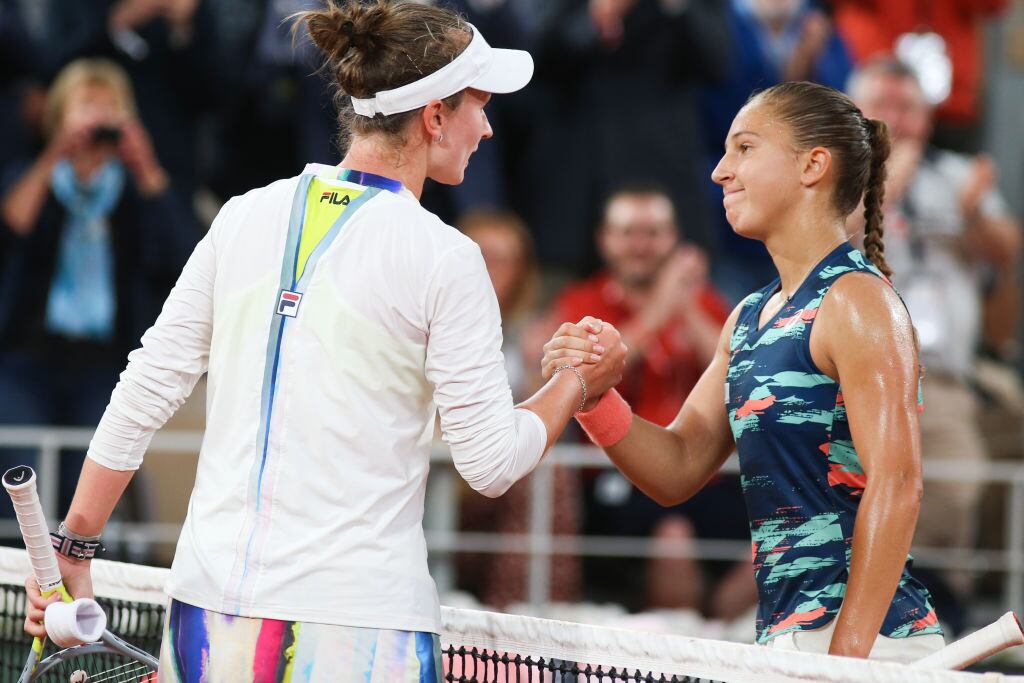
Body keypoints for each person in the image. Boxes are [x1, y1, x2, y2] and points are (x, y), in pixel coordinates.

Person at [21, 2, 627, 680]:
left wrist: (73, 544)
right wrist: (579, 380)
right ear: (433, 116)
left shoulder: (243, 215)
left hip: (206, 613)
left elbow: (146, 385)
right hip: (360, 626)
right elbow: (488, 459)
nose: (486, 127)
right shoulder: (446, 258)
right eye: (478, 106)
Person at [542, 81, 946, 661]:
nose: (720, 172)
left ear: (812, 166)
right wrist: (593, 395)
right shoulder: (748, 317)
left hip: (871, 645)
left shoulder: (859, 302)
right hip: (795, 641)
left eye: (746, 148)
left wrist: (843, 663)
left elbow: (899, 484)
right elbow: (677, 467)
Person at [848, 58, 1022, 632]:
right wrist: (887, 182)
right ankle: (923, 605)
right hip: (869, 363)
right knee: (941, 478)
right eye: (884, 106)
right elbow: (838, 243)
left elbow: (1005, 248)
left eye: (909, 108)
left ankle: (957, 602)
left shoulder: (957, 172)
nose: (897, 120)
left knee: (970, 468)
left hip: (951, 369)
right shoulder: (832, 173)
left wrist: (971, 209)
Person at [534, 185, 753, 617]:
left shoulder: (702, 300)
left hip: (709, 477)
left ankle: (719, 642)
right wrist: (660, 308)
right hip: (616, 477)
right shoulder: (584, 302)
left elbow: (741, 372)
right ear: (605, 240)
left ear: (673, 240)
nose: (640, 245)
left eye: (653, 232)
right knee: (673, 539)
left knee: (780, 533)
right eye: (628, 232)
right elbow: (583, 372)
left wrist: (686, 307)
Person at [0, 58, 199, 517]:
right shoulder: (31, 173)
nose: (99, 118)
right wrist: (56, 153)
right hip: (26, 357)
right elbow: (12, 223)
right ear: (59, 113)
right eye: (87, 104)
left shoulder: (134, 190)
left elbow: (186, 256)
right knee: (20, 480)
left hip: (101, 363)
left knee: (79, 491)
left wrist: (145, 164)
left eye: (110, 106)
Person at [456, 209, 581, 608]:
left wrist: (539, 370)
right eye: (483, 257)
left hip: (502, 469)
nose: (492, 271)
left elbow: (553, 421)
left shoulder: (536, 331)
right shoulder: (429, 320)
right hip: (443, 462)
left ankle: (525, 615)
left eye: (505, 260)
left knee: (550, 470)